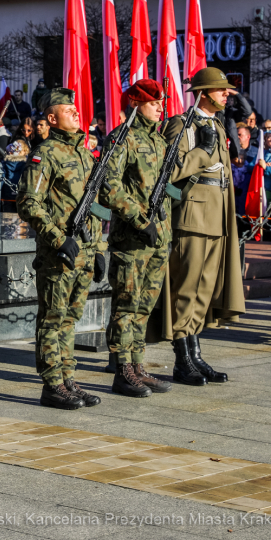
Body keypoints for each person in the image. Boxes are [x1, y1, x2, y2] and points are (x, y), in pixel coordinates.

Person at [16, 88, 104, 410]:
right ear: (52, 118)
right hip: (59, 254)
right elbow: (28, 202)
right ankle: (52, 384)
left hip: (83, 251)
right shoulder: (45, 153)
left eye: (75, 108)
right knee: (52, 319)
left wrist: (98, 249)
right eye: (68, 109)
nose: (76, 112)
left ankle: (68, 379)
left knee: (70, 320)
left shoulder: (83, 153)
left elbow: (93, 207)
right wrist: (57, 238)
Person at [162, 67, 246, 386]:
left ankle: (195, 354)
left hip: (218, 214)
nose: (226, 93)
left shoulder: (218, 124)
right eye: (219, 89)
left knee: (205, 289)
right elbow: (169, 171)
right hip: (193, 214)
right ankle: (182, 359)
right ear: (203, 93)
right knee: (187, 288)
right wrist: (200, 151)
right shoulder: (181, 125)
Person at [98, 81, 173, 398]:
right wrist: (141, 221)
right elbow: (108, 186)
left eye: (161, 102)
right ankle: (122, 370)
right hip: (132, 238)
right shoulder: (121, 138)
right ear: (135, 103)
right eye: (153, 102)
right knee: (126, 306)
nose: (159, 106)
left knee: (144, 307)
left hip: (158, 237)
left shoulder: (158, 140)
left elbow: (164, 189)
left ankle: (138, 366)